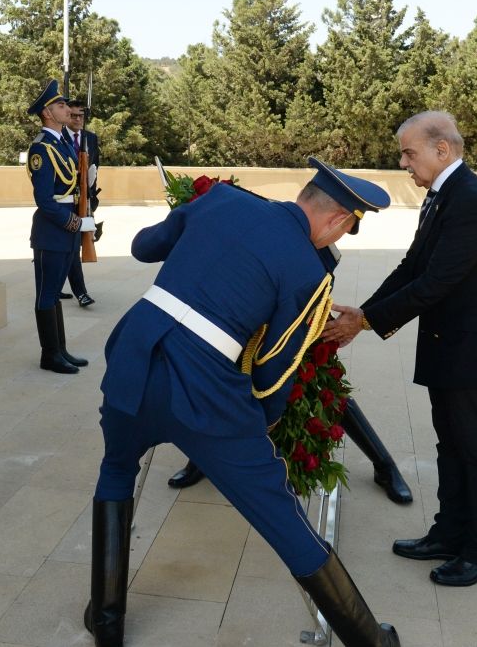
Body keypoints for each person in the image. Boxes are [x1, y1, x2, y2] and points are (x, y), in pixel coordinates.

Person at [85, 158, 400, 647]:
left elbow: (144, 247)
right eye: (343, 231)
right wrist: (262, 425)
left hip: (133, 353)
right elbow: (275, 368)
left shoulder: (220, 199)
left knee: (117, 469)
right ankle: (370, 641)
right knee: (278, 512)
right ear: (339, 220)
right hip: (206, 389)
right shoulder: (309, 274)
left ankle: (106, 621)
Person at [322, 111, 477, 587]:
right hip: (451, 351)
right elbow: (413, 266)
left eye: (409, 153)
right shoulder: (444, 196)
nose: (403, 163)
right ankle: (449, 533)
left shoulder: (471, 200)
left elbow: (437, 282)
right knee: (452, 448)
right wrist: (364, 313)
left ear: (442, 150)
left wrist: (365, 322)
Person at [167, 244, 414, 505]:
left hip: (299, 291)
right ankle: (200, 459)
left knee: (323, 385)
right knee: (224, 378)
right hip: (244, 291)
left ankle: (384, 465)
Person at [25, 79, 94, 375]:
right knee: (47, 294)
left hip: (68, 230)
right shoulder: (41, 148)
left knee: (55, 293)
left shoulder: (63, 142)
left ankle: (61, 350)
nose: (67, 109)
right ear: (48, 113)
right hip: (52, 230)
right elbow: (43, 199)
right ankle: (49, 355)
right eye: (61, 105)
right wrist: (72, 221)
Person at [59, 98, 102, 308]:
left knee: (71, 245)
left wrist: (92, 203)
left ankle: (56, 284)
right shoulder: (58, 138)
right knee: (71, 246)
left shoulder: (91, 138)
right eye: (73, 115)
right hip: (65, 201)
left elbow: (95, 169)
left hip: (84, 201)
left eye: (81, 116)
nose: (77, 119)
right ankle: (81, 293)